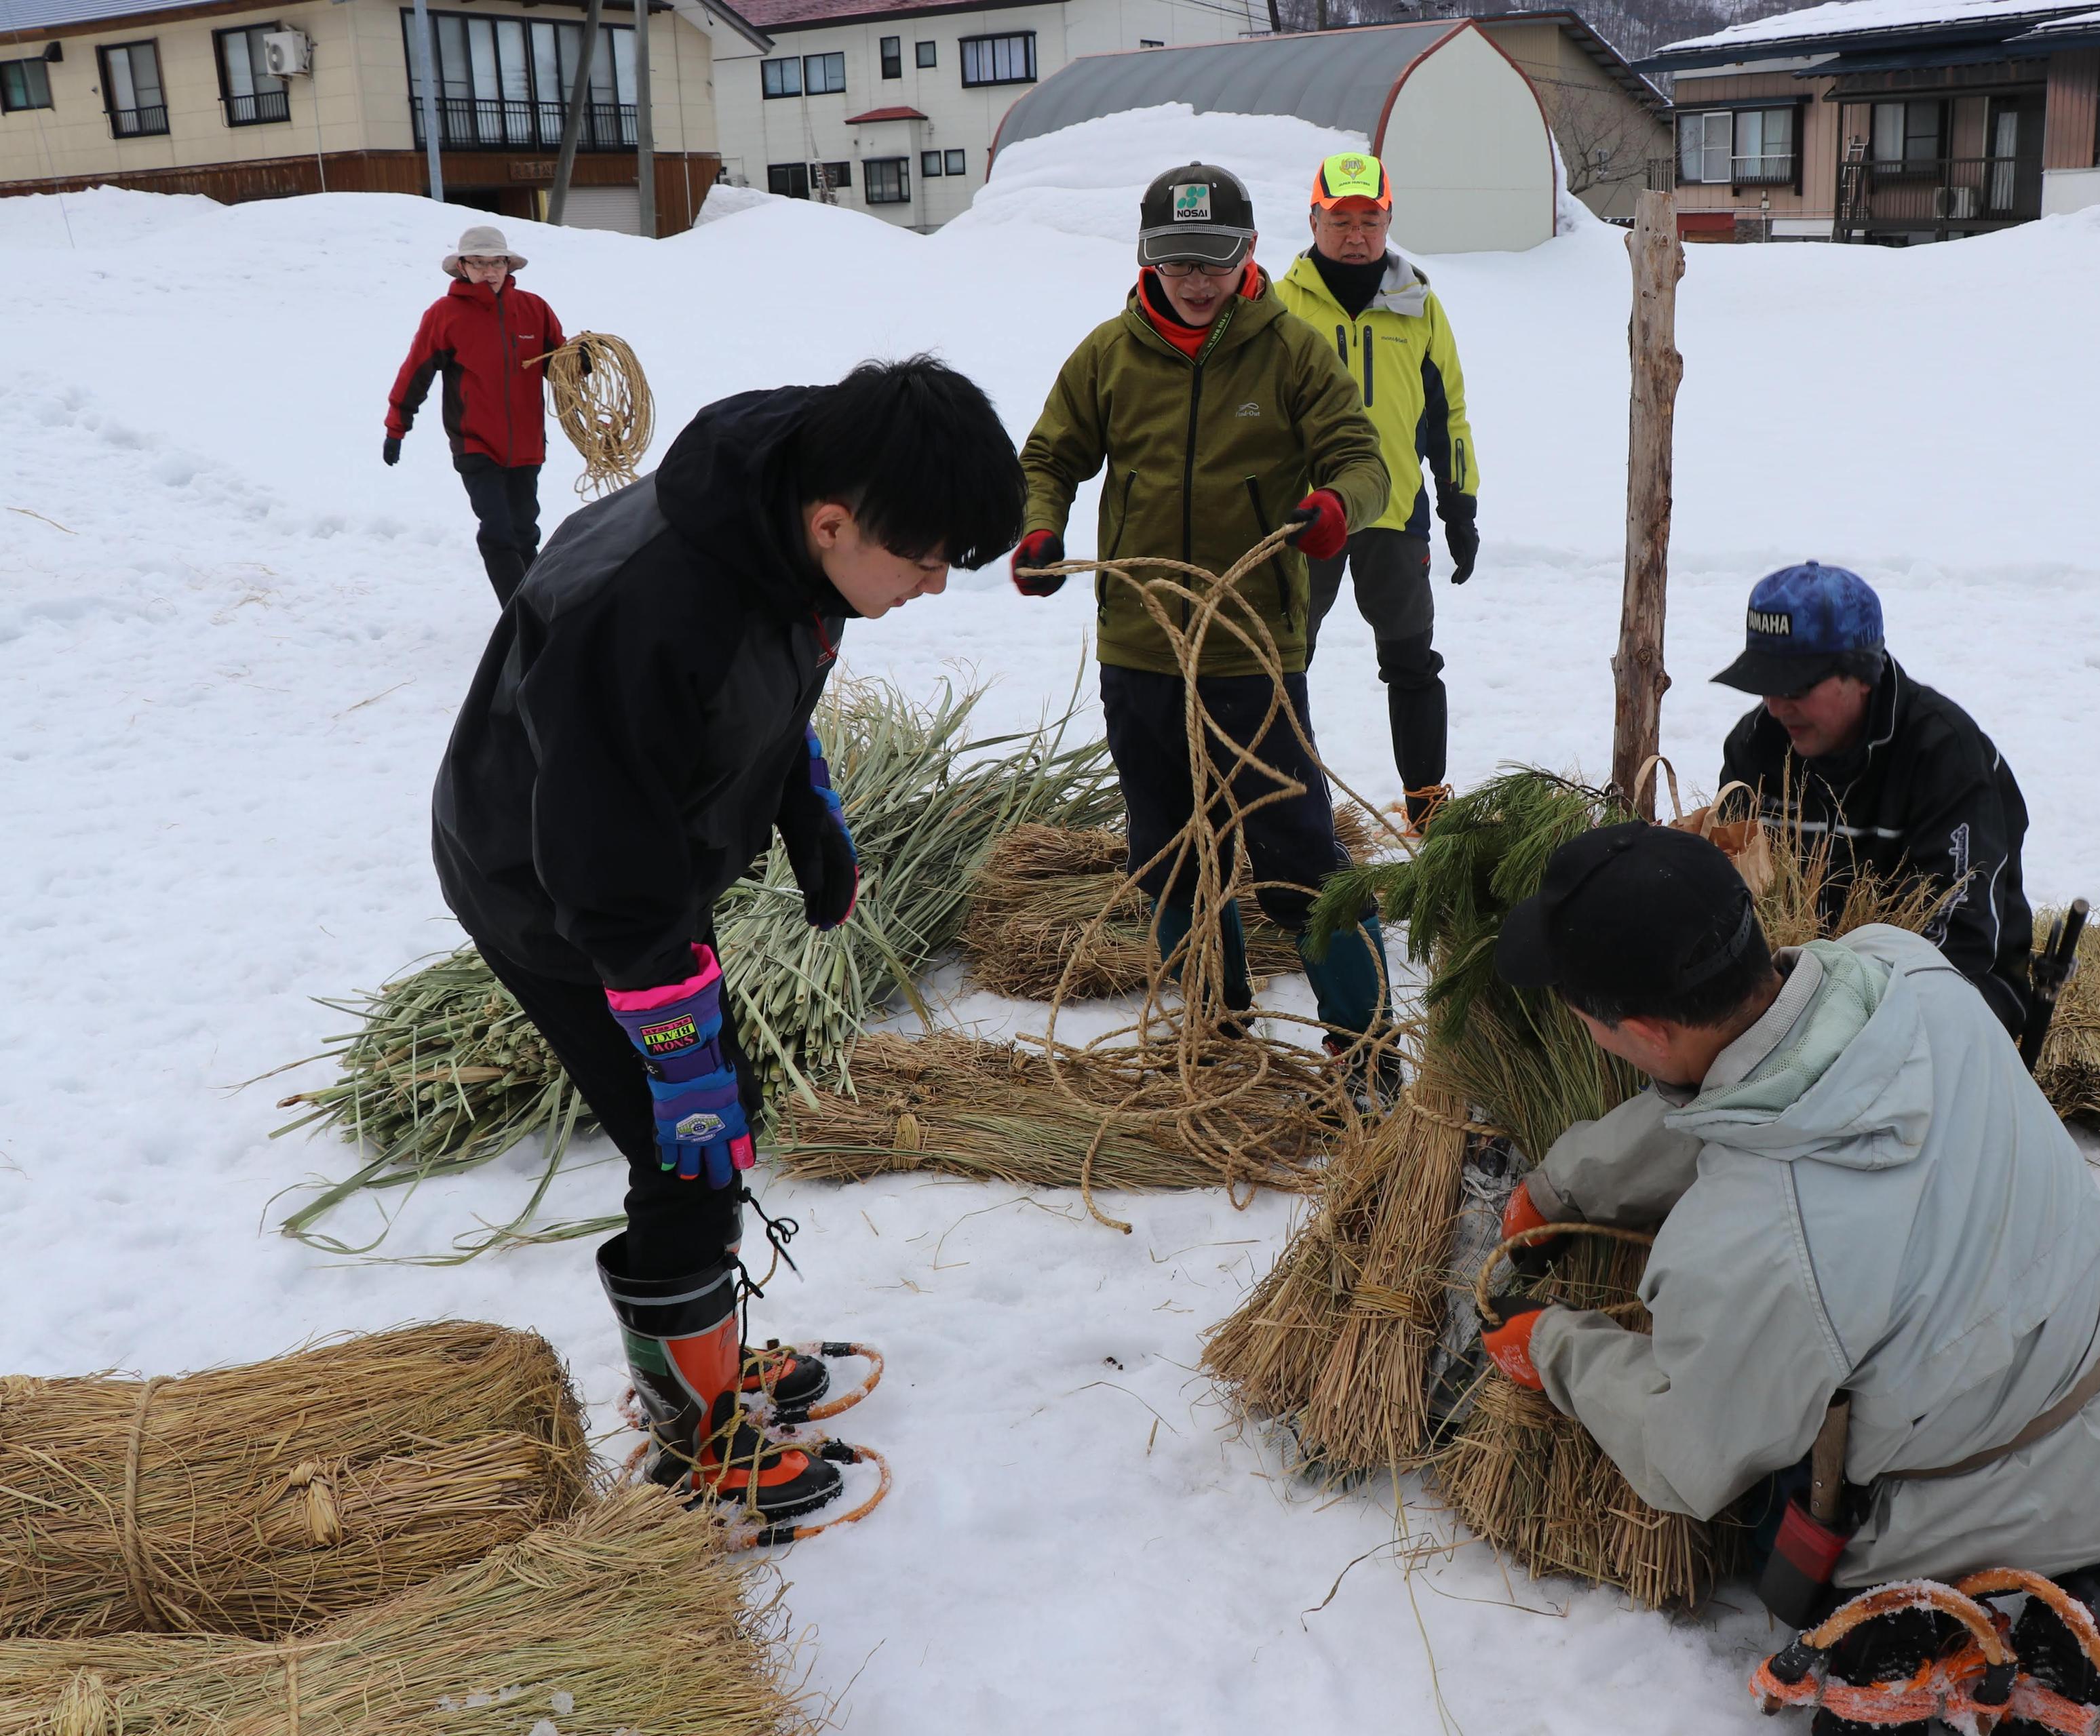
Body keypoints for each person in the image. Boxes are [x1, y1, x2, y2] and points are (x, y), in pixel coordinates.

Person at [1476, 824, 2100, 1723]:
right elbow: (1738, 1098)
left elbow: (1685, 1457)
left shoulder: (1751, 1244)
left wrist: (1558, 1347)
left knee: (1780, 1517)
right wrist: (1566, 1185)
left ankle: (1931, 1635)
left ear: (1643, 1028)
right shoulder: (1899, 971)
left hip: (1948, 1505)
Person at [431, 356, 1025, 1523]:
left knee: (714, 1126)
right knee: (689, 1146)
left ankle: (704, 1361)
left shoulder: (789, 511)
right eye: (925, 562)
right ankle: (693, 1441)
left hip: (646, 846)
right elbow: (603, 860)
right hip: (552, 889)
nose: (933, 587)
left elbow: (767, 687)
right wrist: (672, 1042)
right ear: (835, 523)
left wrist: (806, 808)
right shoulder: (650, 605)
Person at [1013, 163, 1397, 1080]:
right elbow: (1050, 454)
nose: (1194, 279)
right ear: (1147, 257)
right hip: (1139, 648)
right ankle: (1214, 1021)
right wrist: (1039, 525)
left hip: (1252, 648)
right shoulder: (1108, 355)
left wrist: (1338, 504)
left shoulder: (1294, 350)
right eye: (1175, 258)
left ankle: (1367, 1038)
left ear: (1251, 252)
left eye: (1214, 259)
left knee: (1294, 848)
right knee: (1168, 844)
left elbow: (1361, 455)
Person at [1713, 561, 2034, 1035]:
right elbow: (1727, 886)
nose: (1776, 707)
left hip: (1948, 996)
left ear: (1862, 674)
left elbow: (1959, 941)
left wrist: (1824, 1010)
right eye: (1764, 683)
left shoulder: (1946, 755)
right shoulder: (1755, 743)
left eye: (1796, 686)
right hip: (1789, 989)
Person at [1273, 152, 1480, 838]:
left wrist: (1459, 505)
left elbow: (1448, 411)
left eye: (1369, 219)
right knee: (1282, 658)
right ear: (1314, 219)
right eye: (1340, 220)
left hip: (1394, 514)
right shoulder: (1280, 303)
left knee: (1411, 659)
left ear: (1388, 219)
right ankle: (1278, 799)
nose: (1355, 233)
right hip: (1307, 516)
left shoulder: (1417, 301)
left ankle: (1425, 801)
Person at [386, 224, 569, 606]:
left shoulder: (533, 309)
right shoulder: (445, 315)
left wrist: (580, 362)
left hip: (527, 444)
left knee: (524, 532)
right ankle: (517, 618)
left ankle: (534, 608)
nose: (490, 271)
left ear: (508, 265)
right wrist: (397, 426)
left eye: (497, 262)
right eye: (480, 263)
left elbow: (559, 366)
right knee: (498, 532)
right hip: (475, 442)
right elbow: (415, 372)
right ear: (462, 267)